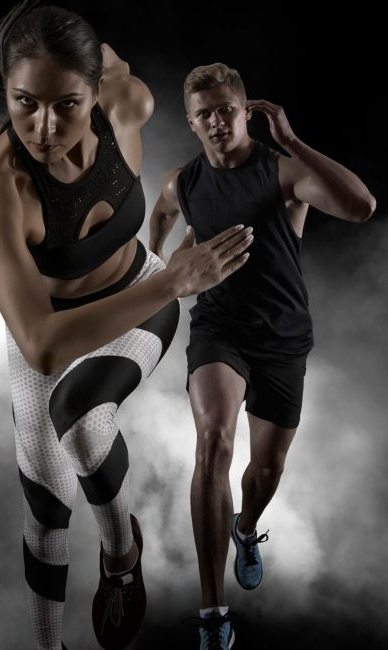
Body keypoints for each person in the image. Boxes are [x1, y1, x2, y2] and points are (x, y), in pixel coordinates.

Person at [0, 5, 253, 649]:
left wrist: (162, 285)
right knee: (44, 504)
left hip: (138, 300)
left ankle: (122, 557)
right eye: (23, 102)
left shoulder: (130, 102)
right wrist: (177, 280)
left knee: (82, 418)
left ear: (97, 91)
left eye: (66, 104)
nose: (43, 127)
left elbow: (109, 59)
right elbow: (40, 344)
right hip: (46, 325)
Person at [149, 62, 376, 649]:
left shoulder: (282, 172)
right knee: (214, 442)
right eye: (205, 114)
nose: (217, 121)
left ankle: (246, 529)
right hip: (218, 331)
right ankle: (213, 612)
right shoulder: (185, 182)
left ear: (246, 111)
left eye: (227, 109)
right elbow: (162, 214)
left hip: (282, 339)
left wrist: (294, 141)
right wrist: (159, 265)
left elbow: (361, 207)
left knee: (265, 472)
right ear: (192, 122)